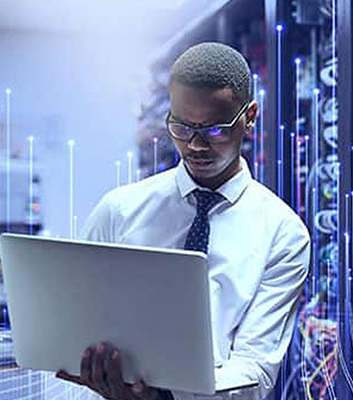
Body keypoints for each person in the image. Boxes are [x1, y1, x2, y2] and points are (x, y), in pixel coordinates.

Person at [56, 42, 310, 400]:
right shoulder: (119, 210)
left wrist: (162, 399)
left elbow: (255, 371)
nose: (196, 145)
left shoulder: (282, 234)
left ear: (249, 117)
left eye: (215, 129)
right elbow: (75, 322)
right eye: (182, 127)